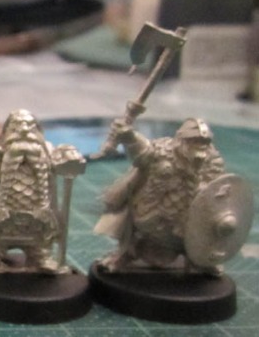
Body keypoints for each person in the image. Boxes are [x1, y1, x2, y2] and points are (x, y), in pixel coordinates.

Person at [95, 117, 226, 274]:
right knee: (137, 230)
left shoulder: (212, 159)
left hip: (189, 216)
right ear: (182, 140)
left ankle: (199, 261)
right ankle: (123, 256)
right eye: (194, 141)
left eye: (203, 142)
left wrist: (199, 183)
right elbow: (144, 151)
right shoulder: (164, 150)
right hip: (152, 209)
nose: (199, 146)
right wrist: (130, 136)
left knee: (193, 238)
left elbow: (214, 185)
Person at [0, 109, 83, 273]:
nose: (24, 130)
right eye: (17, 125)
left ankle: (40, 258)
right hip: (0, 208)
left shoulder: (47, 150)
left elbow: (62, 164)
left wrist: (69, 159)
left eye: (29, 125)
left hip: (39, 208)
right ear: (8, 129)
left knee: (39, 237)